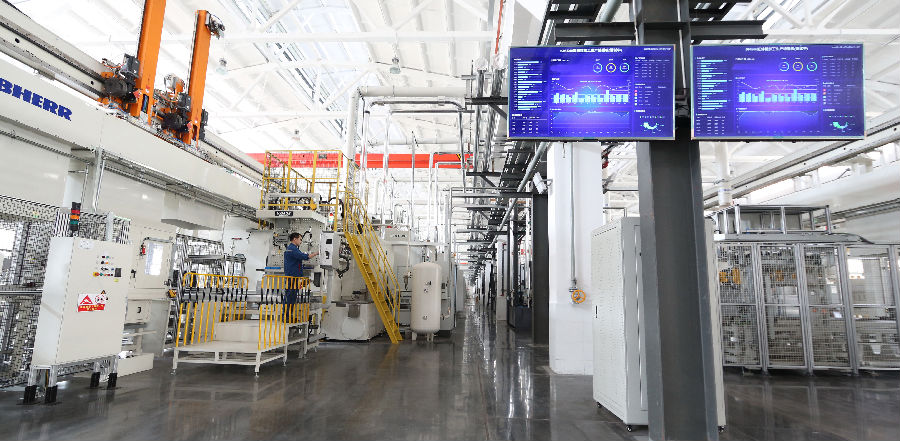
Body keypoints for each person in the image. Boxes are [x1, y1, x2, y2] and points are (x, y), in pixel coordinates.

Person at [283, 232, 319, 321]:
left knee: (291, 297)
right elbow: (305, 257)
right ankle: (286, 317)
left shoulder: (292, 248)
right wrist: (317, 253)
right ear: (294, 239)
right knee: (290, 297)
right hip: (293, 277)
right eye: (300, 239)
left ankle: (288, 316)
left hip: (292, 276)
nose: (301, 241)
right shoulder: (293, 249)